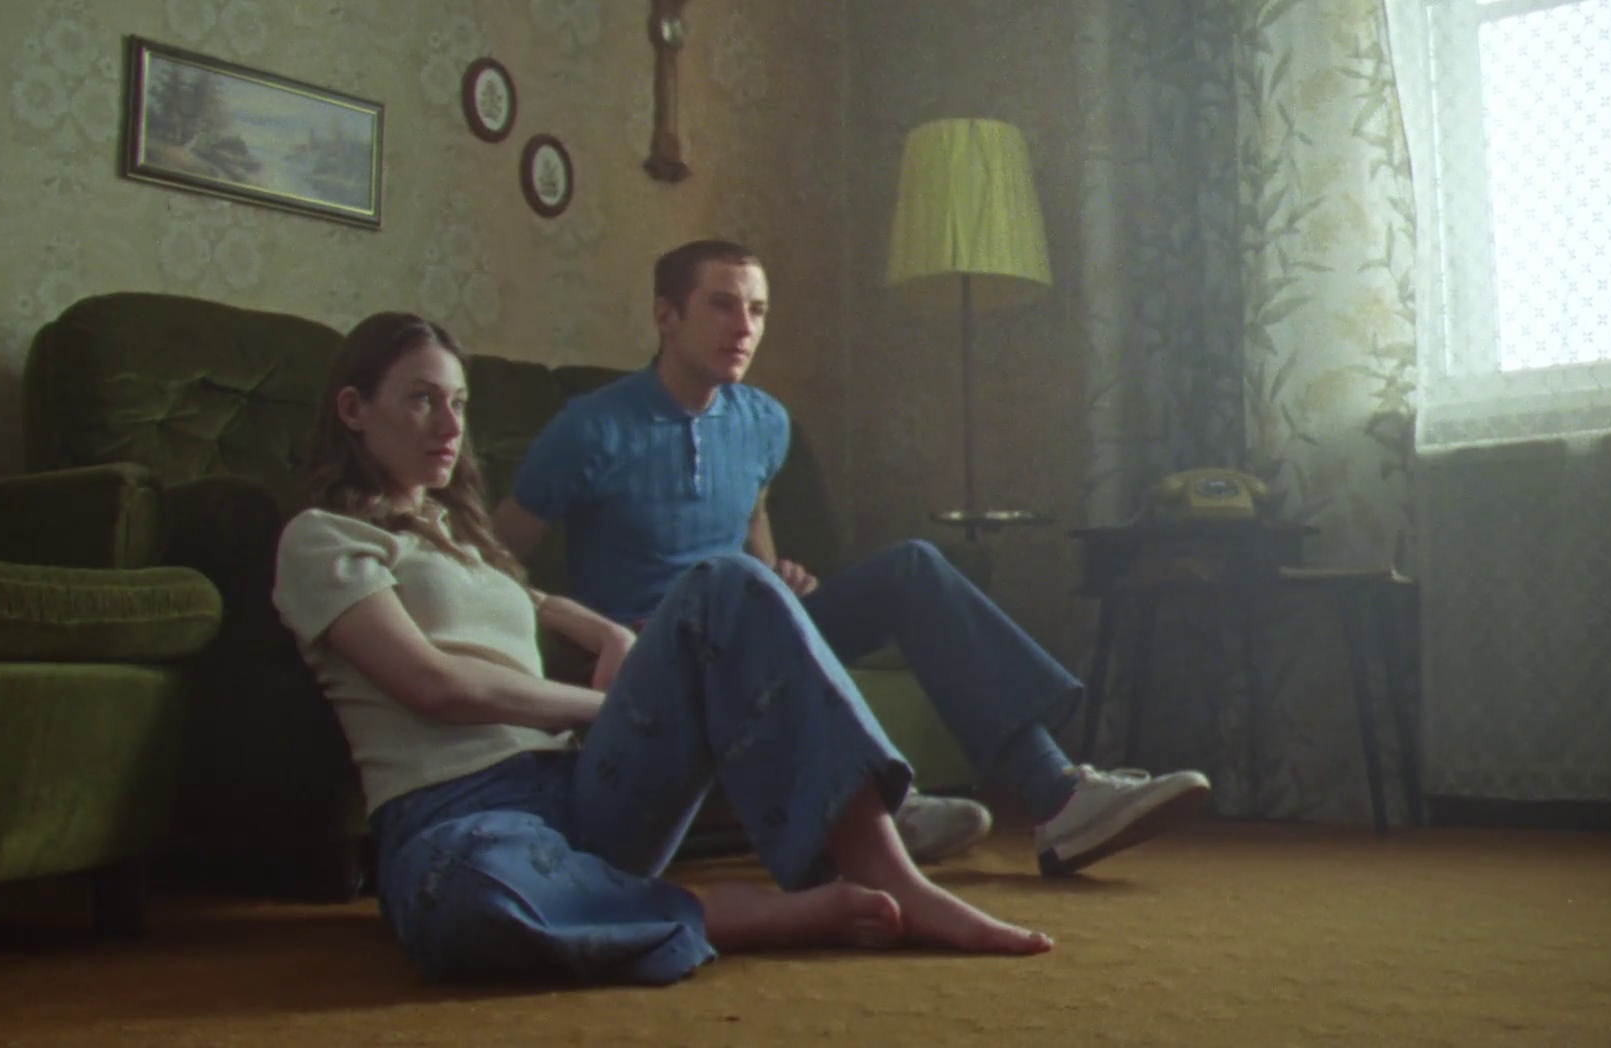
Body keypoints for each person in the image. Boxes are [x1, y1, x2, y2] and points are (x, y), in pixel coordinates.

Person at [273, 312, 1063, 985]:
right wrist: (604, 703)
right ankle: (737, 915)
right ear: (353, 408)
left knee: (729, 581)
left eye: (458, 404)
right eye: (422, 401)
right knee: (466, 901)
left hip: (581, 788)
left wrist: (607, 631)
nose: (451, 428)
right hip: (459, 816)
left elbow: (529, 600)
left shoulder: (459, 537)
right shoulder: (324, 539)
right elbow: (435, 685)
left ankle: (893, 877)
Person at [491, 239, 1211, 873]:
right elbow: (490, 563)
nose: (744, 328)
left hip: (746, 632)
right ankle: (873, 807)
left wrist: (775, 576)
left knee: (912, 567)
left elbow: (751, 520)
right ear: (665, 316)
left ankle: (1058, 796)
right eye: (722, 305)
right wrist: (594, 631)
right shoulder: (590, 429)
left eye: (758, 310)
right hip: (659, 658)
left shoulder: (764, 421)